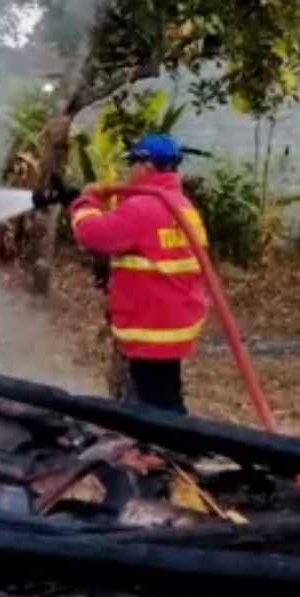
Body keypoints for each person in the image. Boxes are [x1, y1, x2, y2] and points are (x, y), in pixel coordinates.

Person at [65, 132, 209, 414]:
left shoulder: (143, 208)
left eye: (132, 164)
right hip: (175, 321)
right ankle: (171, 444)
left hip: (151, 324)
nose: (128, 171)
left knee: (157, 403)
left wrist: (85, 202)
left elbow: (92, 235)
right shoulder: (180, 205)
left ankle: (171, 450)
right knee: (164, 392)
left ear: (146, 166)